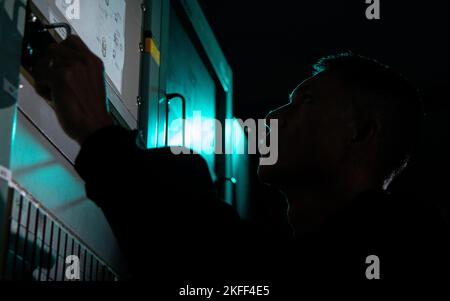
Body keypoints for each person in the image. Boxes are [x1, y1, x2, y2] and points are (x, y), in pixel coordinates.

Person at [33, 36, 447, 280]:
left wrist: (99, 130)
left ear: (359, 134)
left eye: (304, 102)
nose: (272, 117)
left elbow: (223, 266)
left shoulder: (395, 246)